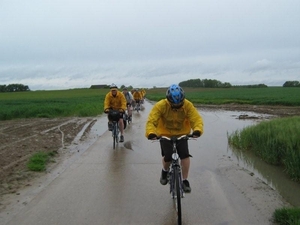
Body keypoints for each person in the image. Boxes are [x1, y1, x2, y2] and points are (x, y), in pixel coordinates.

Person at [145, 84, 204, 193]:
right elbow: (151, 120)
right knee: (167, 157)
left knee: (185, 155)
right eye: (174, 105)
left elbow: (196, 119)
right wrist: (151, 133)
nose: (177, 106)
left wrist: (197, 130)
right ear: (168, 101)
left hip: (182, 134)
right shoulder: (161, 105)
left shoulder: (187, 105)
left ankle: (185, 180)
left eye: (180, 104)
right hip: (165, 134)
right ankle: (164, 171)